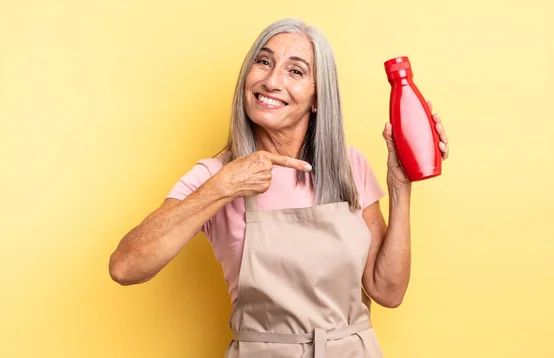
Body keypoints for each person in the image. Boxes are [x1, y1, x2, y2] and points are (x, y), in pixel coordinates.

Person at [108, 18, 449, 358]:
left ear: (317, 98)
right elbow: (125, 267)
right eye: (264, 61)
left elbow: (388, 291)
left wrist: (400, 188)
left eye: (296, 71)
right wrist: (223, 186)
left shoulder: (349, 166)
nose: (272, 81)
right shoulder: (213, 175)